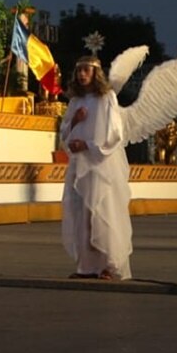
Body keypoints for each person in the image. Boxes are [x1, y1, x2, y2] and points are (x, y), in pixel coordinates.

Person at [59, 54, 132, 280]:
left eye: (86, 70)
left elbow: (114, 134)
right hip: (80, 167)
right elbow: (63, 134)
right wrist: (75, 122)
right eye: (79, 70)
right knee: (82, 215)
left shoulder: (107, 98)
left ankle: (108, 266)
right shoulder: (75, 102)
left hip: (100, 166)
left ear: (95, 73)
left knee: (102, 213)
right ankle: (87, 267)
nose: (82, 74)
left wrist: (88, 145)